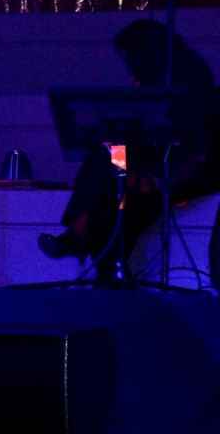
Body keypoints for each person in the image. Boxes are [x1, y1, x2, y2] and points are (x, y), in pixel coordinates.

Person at [38, 20, 219, 282]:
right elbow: (138, 134)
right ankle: (91, 243)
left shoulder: (187, 81)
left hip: (179, 167)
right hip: (148, 160)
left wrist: (156, 178)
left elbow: (193, 149)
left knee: (113, 198)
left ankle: (79, 234)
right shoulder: (151, 80)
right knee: (109, 152)